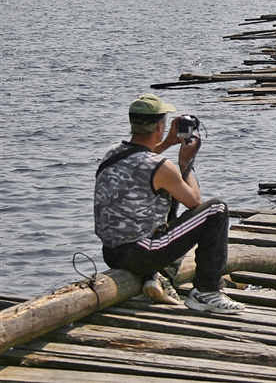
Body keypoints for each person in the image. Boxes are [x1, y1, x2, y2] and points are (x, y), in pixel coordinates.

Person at [94, 93, 244, 314]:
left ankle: (158, 276)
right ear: (160, 126)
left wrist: (166, 143)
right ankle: (207, 292)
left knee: (165, 196)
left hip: (112, 253)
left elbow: (139, 159)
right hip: (142, 253)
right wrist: (185, 163)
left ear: (131, 122)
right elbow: (195, 202)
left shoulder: (113, 153)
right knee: (216, 210)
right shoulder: (162, 166)